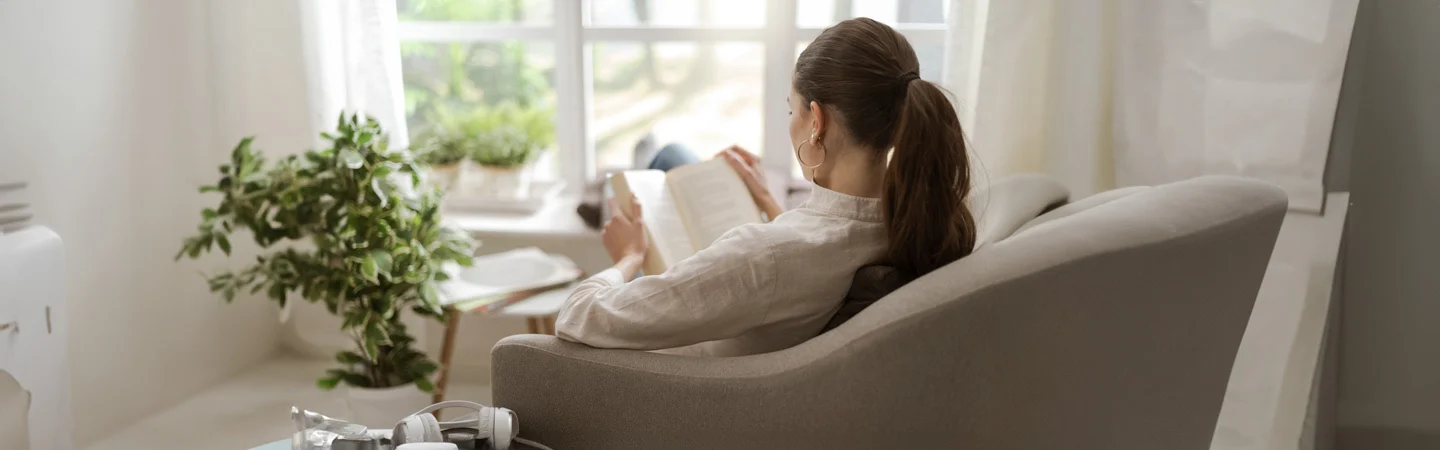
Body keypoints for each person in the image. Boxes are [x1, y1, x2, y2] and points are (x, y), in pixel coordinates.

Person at [555, 18, 977, 356]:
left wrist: (628, 258)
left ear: (817, 122)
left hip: (692, 372)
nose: (790, 120)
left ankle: (643, 160)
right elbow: (818, 251)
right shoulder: (915, 219)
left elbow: (580, 316)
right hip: (759, 283)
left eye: (790, 109)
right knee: (676, 158)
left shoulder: (765, 255)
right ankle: (651, 156)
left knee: (668, 159)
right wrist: (769, 203)